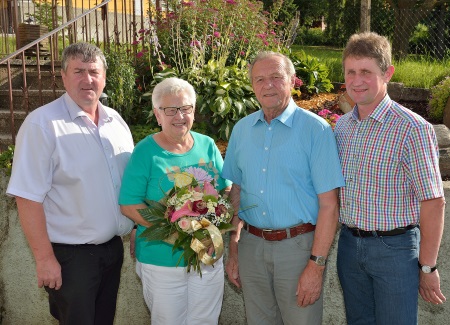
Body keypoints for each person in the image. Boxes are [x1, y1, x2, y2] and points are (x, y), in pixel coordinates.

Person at [6, 42, 135, 324]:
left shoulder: (116, 122)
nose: (87, 80)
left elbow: (128, 185)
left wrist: (136, 227)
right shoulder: (43, 124)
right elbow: (27, 197)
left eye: (93, 71)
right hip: (71, 259)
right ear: (63, 77)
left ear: (104, 77)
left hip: (113, 251)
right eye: (78, 71)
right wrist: (44, 259)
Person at [221, 51, 345, 325]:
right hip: (251, 248)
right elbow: (236, 192)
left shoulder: (316, 130)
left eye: (276, 77)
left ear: (292, 81)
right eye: (260, 79)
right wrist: (234, 249)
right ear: (252, 86)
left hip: (298, 250)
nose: (268, 85)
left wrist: (316, 264)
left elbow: (330, 205)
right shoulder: (241, 130)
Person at [335, 32, 446, 325]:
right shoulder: (342, 127)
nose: (357, 80)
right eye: (351, 72)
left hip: (395, 252)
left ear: (388, 73)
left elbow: (433, 202)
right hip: (348, 245)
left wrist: (427, 267)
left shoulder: (412, 129)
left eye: (366, 72)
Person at [119, 77, 231, 325]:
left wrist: (215, 227)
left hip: (207, 255)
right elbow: (128, 204)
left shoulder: (207, 145)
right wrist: (177, 234)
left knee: (205, 320)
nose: (179, 116)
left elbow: (224, 191)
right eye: (170, 110)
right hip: (162, 259)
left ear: (194, 111)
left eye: (186, 108)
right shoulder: (146, 151)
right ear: (157, 115)